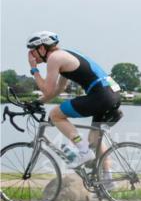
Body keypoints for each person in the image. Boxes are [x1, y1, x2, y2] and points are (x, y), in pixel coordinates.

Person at [26, 31, 122, 169]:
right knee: (95, 140)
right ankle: (108, 182)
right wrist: (37, 102)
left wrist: (34, 69)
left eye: (32, 50)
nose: (31, 55)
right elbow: (59, 88)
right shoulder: (65, 54)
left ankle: (84, 152)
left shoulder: (54, 58)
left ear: (42, 48)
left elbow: (47, 90)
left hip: (101, 95)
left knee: (55, 115)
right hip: (113, 93)